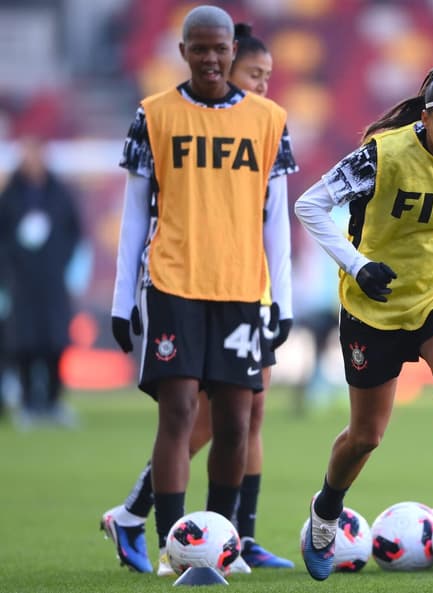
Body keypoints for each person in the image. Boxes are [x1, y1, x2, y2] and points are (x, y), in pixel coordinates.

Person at [294, 65, 433, 582]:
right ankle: (326, 510)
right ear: (426, 120)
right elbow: (311, 205)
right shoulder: (383, 156)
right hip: (377, 302)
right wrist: (356, 265)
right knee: (366, 436)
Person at [104, 6, 296, 576]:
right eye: (200, 49)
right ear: (183, 51)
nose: (211, 58)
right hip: (173, 283)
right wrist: (121, 303)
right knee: (180, 412)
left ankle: (219, 545)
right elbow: (135, 214)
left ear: (232, 53)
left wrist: (280, 300)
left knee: (237, 422)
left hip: (240, 287)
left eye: (220, 49)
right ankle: (173, 547)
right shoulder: (154, 115)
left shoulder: (269, 119)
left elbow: (277, 219)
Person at [0, 136, 83, 428]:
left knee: (54, 341)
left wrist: (62, 262)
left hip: (52, 281)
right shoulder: (10, 196)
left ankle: (52, 401)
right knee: (23, 342)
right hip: (20, 283)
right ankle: (27, 403)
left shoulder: (59, 193)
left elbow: (74, 232)